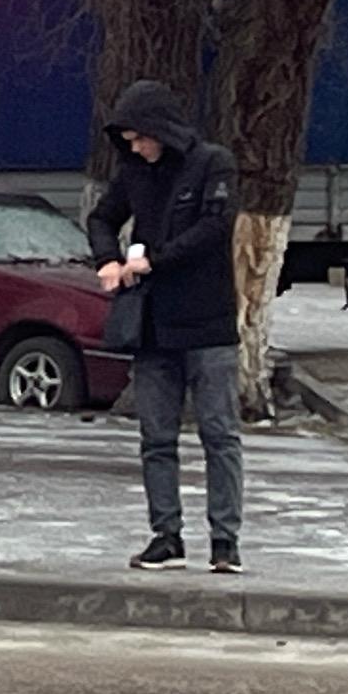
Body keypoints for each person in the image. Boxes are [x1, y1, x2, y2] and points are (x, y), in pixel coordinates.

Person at [89, 79, 245, 574]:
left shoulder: (212, 164)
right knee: (156, 438)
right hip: (153, 327)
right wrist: (107, 258)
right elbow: (102, 218)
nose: (135, 148)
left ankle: (225, 540)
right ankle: (166, 535)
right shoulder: (135, 172)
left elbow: (214, 227)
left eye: (140, 138)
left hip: (208, 324)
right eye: (128, 141)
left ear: (161, 130)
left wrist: (154, 261)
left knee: (219, 434)